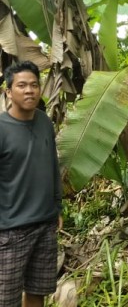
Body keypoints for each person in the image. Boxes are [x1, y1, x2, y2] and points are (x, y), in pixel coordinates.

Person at [0, 61, 63, 307]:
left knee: (38, 292)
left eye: (34, 85)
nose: (29, 91)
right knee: (6, 299)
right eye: (22, 85)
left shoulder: (45, 122)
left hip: (45, 224)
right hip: (10, 230)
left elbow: (52, 166)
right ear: (9, 92)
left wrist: (57, 206)